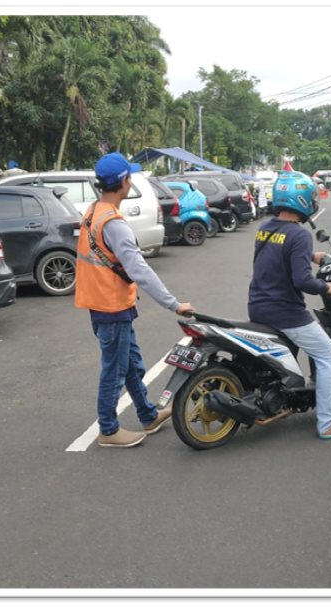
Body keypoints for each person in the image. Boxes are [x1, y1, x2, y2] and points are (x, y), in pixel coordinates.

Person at [75, 152, 196, 448]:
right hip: (111, 308)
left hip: (103, 304)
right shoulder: (113, 223)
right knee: (115, 371)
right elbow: (139, 269)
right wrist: (174, 304)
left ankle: (148, 414)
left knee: (130, 365)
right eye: (130, 176)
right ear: (124, 182)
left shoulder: (94, 210)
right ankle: (108, 429)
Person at [248, 170, 331, 440]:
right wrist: (328, 287)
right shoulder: (298, 234)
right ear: (301, 200)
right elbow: (303, 282)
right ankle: (327, 423)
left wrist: (311, 256)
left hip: (258, 306)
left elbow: (278, 252)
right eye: (310, 196)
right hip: (286, 311)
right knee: (329, 356)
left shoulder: (265, 228)